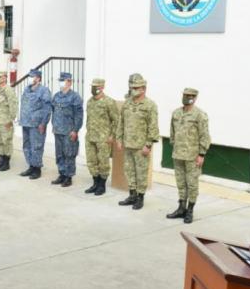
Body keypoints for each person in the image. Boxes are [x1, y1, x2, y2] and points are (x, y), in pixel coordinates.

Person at [115, 74, 159, 209]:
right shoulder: (127, 103)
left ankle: (140, 198)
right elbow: (121, 122)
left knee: (141, 173)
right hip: (128, 144)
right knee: (129, 171)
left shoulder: (150, 105)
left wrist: (148, 145)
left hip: (141, 147)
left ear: (143, 89)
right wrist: (119, 138)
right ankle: (132, 195)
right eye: (131, 87)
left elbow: (153, 126)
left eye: (136, 87)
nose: (133, 90)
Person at [166, 88, 210, 222]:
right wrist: (174, 146)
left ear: (195, 98)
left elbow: (205, 136)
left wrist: (201, 154)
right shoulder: (176, 113)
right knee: (180, 183)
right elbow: (172, 132)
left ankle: (190, 210)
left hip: (192, 155)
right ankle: (181, 208)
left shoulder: (199, 115)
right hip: (178, 154)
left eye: (190, 96)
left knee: (192, 184)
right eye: (185, 95)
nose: (187, 98)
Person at [83, 78, 120, 196]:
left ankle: (102, 185)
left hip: (103, 138)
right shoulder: (90, 101)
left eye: (97, 86)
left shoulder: (109, 102)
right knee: (91, 161)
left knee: (103, 162)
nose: (94, 88)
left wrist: (112, 136)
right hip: (90, 136)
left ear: (102, 87)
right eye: (93, 86)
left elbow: (116, 120)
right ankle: (95, 183)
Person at [50, 72, 83, 187]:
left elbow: (79, 115)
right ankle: (62, 174)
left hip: (69, 131)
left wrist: (75, 130)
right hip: (58, 130)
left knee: (69, 154)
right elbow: (53, 111)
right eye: (60, 80)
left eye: (63, 80)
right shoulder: (56, 96)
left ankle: (68, 176)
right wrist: (54, 125)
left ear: (70, 82)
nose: (61, 82)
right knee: (59, 154)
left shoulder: (75, 97)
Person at [18, 69, 52, 180]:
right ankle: (31, 166)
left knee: (36, 146)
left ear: (38, 78)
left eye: (32, 76)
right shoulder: (27, 89)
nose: (30, 78)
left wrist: (43, 123)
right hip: (26, 123)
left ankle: (37, 169)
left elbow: (47, 108)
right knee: (27, 146)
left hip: (36, 124)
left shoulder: (44, 91)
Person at [0, 71, 18, 172]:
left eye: (0, 77)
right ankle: (1, 160)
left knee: (6, 141)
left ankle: (6, 162)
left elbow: (13, 105)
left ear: (5, 78)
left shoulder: (9, 90)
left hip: (5, 121)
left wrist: (11, 120)